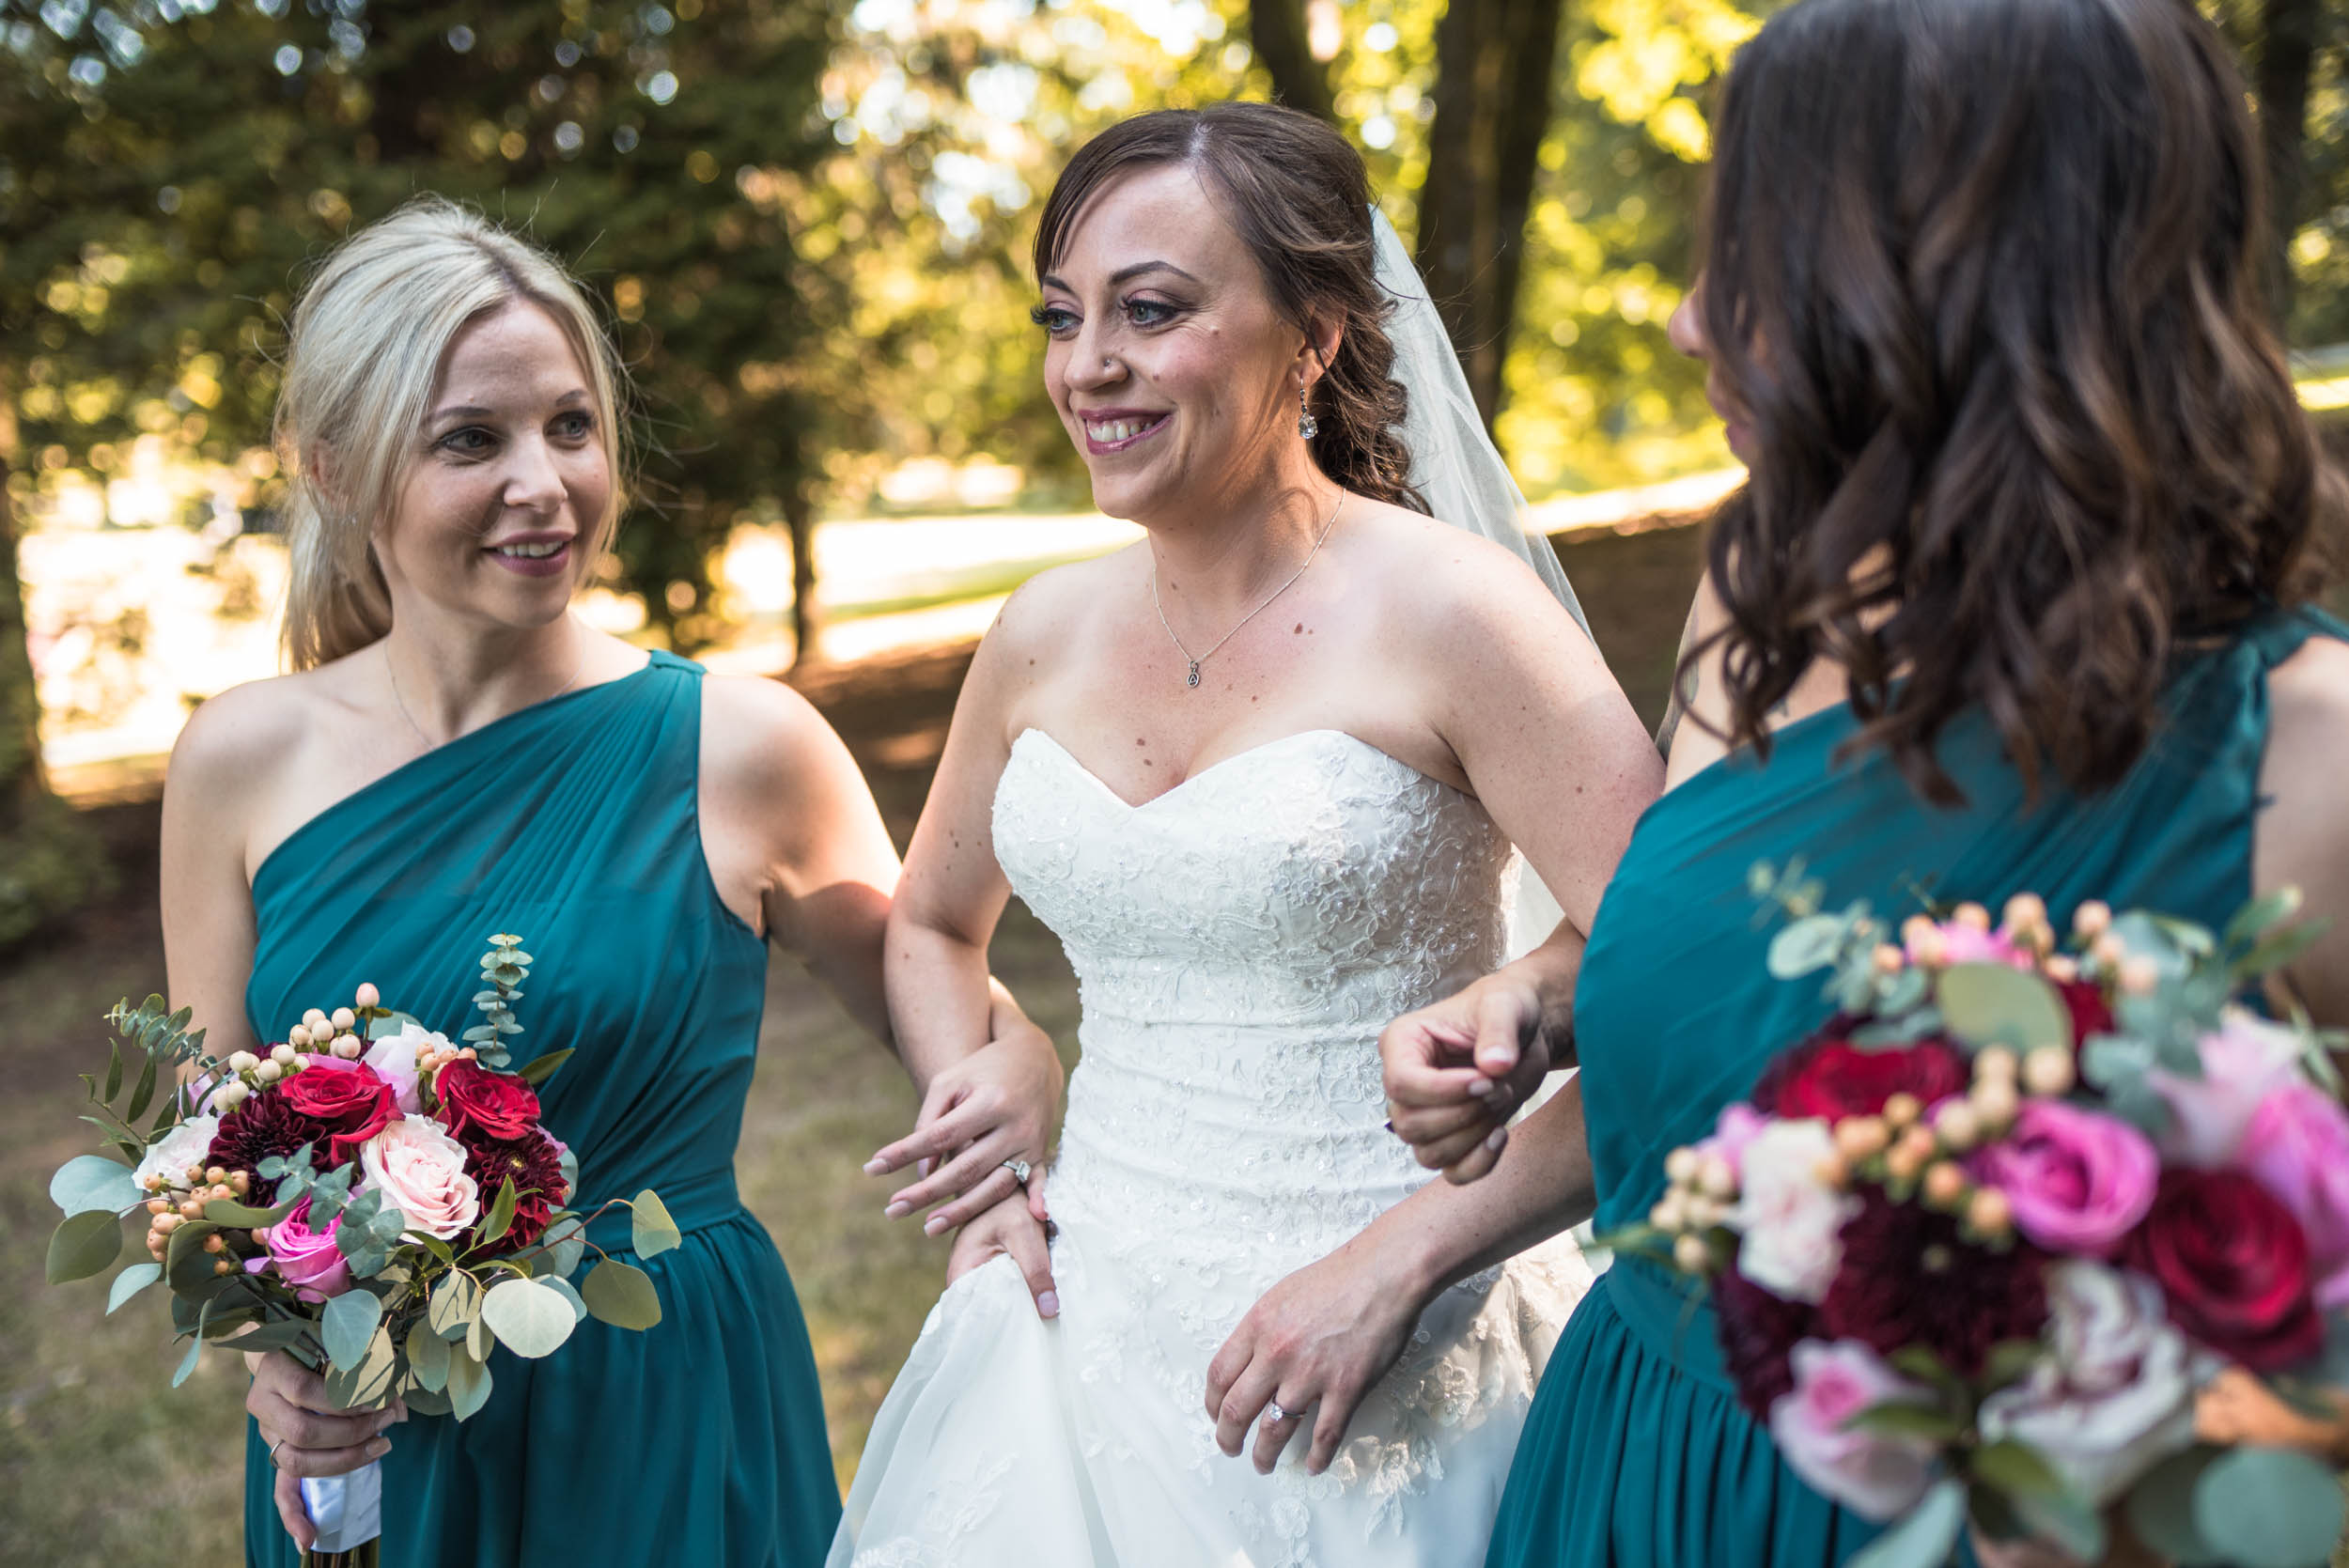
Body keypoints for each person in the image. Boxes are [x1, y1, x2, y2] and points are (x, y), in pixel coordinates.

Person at [1379, 1, 2349, 1563]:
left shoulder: (2304, 754)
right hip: (1635, 1473)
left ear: (1973, 274)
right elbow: (1730, 1011)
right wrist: (1546, 1010)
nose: (1695, 319)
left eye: (1761, 254)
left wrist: (2168, 1477)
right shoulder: (1764, 588)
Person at [160, 196, 1060, 1567]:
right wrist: (267, 1353)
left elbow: (946, 1002)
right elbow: (206, 1146)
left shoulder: (741, 746)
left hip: (662, 1395)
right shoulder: (236, 758)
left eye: (571, 426)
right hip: (373, 1425)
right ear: (338, 469)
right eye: (473, 438)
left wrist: (1029, 1061)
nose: (547, 483)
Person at [829, 102, 1665, 1567]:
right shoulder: (1039, 634)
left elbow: (1679, 983)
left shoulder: (1459, 619)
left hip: (1390, 1357)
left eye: (1153, 311)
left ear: (1319, 335)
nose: (1090, 365)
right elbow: (930, 923)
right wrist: (989, 1106)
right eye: (1064, 315)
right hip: (1071, 1342)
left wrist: (1406, 1262)